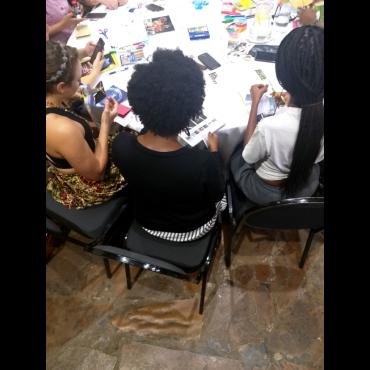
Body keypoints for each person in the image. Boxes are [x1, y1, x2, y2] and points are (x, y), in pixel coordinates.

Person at [112, 48, 225, 242]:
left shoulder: (120, 145)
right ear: (192, 111)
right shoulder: (200, 161)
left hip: (145, 221)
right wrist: (214, 151)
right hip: (194, 228)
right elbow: (216, 194)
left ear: (137, 102)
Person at [230, 26, 324, 215]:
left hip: (266, 192)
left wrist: (255, 102)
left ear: (283, 77)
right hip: (306, 186)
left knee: (234, 157)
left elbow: (248, 155)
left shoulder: (270, 126)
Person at [46, 41, 126, 209]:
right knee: (134, 145)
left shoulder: (52, 95)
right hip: (88, 183)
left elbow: (81, 87)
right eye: (77, 79)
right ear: (61, 87)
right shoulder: (61, 128)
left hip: (74, 155)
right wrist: (105, 124)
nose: (80, 82)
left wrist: (94, 67)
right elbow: (96, 172)